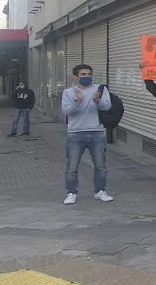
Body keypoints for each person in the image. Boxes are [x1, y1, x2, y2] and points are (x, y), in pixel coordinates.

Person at [60, 64, 113, 205]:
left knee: (100, 165)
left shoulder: (100, 89)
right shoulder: (69, 92)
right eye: (83, 74)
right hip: (75, 134)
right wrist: (78, 101)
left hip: (96, 132)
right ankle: (71, 193)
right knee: (72, 166)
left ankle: (100, 191)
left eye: (89, 73)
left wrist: (97, 100)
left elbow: (107, 106)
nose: (86, 76)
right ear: (76, 77)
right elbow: (66, 111)